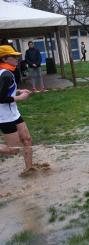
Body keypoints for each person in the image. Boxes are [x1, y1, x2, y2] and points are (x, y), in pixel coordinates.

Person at [0, 45, 36, 177]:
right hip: (4, 117)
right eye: (13, 56)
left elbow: (4, 90)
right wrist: (20, 97)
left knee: (27, 139)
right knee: (13, 150)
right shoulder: (5, 75)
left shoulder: (6, 72)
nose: (17, 58)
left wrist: (18, 90)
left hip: (14, 114)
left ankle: (29, 169)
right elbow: (1, 98)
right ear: (4, 58)